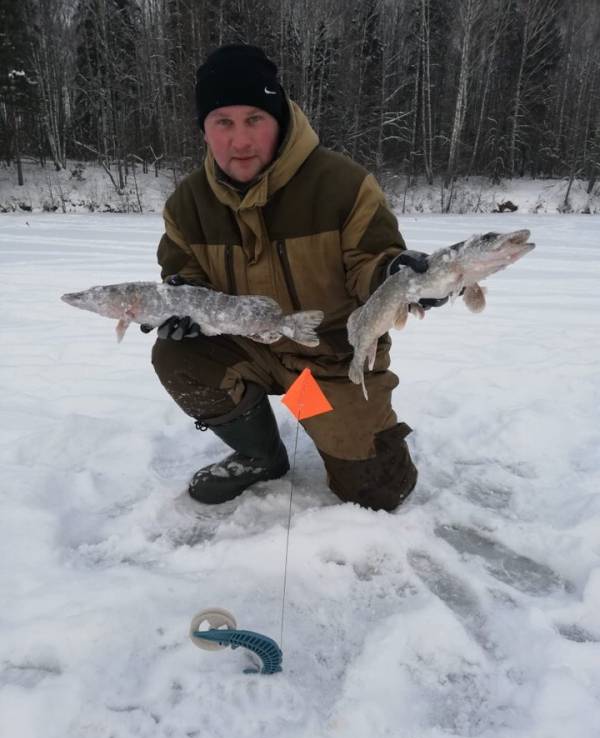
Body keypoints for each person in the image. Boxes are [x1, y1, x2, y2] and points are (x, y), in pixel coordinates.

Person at [146, 44, 445, 511]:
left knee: (378, 492)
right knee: (178, 354)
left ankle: (316, 416)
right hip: (251, 348)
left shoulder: (341, 184)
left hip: (328, 359)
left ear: (279, 119)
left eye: (254, 120)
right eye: (223, 122)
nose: (240, 141)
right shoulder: (186, 204)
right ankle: (261, 454)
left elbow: (372, 261)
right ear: (204, 129)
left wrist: (395, 273)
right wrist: (181, 303)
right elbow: (184, 275)